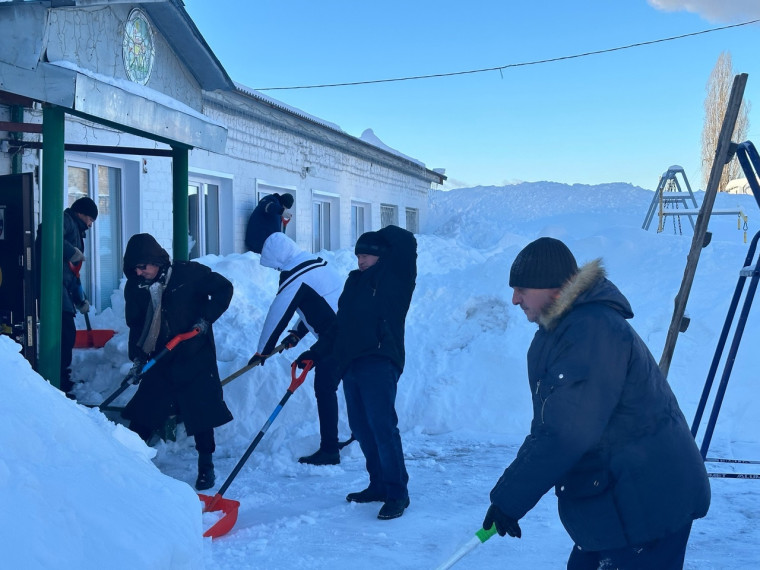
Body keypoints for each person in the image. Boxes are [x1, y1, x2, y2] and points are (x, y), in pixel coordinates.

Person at [482, 237, 711, 569]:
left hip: (647, 503)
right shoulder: (563, 331)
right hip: (619, 499)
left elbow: (566, 434)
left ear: (555, 289)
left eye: (522, 289)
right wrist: (508, 498)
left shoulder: (590, 332)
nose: (514, 299)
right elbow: (550, 427)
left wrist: (508, 500)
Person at [298, 225, 417, 520]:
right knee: (361, 428)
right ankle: (378, 484)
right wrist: (317, 351)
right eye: (359, 255)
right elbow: (341, 325)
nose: (361, 260)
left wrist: (379, 234)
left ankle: (397, 492)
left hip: (379, 360)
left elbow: (406, 243)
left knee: (382, 426)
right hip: (351, 362)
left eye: (367, 255)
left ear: (381, 255)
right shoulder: (354, 282)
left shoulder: (395, 280)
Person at [121, 233, 234, 491]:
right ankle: (127, 463)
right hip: (159, 357)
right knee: (145, 410)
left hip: (194, 354)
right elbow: (136, 325)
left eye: (143, 266)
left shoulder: (189, 274)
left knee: (201, 412)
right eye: (134, 268)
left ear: (156, 261)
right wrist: (138, 359)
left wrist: (205, 319)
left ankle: (206, 465)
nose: (140, 272)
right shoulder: (135, 288)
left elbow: (223, 289)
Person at [249, 231, 346, 465]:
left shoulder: (294, 275)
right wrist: (296, 334)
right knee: (350, 384)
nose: (276, 271)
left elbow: (278, 313)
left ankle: (330, 450)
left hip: (336, 337)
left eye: (274, 266)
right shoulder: (313, 264)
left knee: (324, 388)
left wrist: (263, 350)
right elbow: (317, 303)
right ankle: (355, 435)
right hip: (349, 327)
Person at [35, 196, 98, 398]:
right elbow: (47, 233)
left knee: (65, 334)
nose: (90, 224)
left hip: (61, 287)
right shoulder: (65, 220)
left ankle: (61, 377)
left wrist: (81, 300)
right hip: (51, 287)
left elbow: (72, 274)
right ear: (81, 213)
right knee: (63, 334)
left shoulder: (76, 229)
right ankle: (56, 381)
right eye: (90, 219)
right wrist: (71, 251)